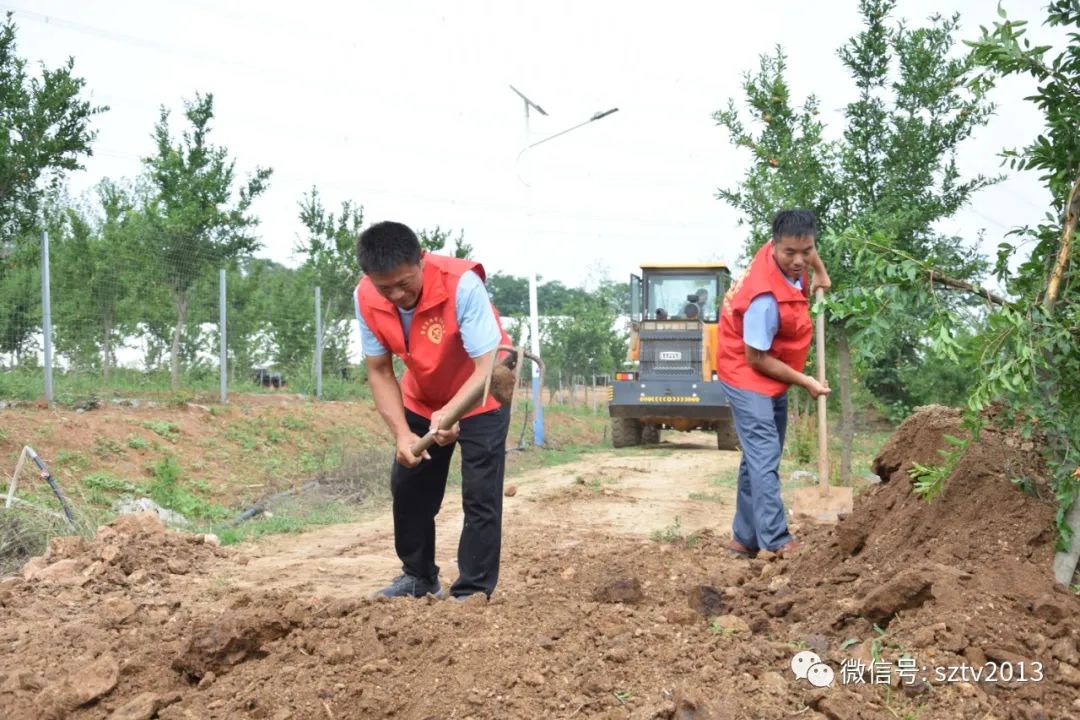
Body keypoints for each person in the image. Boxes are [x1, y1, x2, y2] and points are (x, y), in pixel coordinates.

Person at [354, 221, 511, 600]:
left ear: (420, 261)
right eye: (384, 287)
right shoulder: (366, 297)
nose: (396, 295)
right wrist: (402, 434)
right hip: (421, 397)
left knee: (479, 494)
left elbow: (487, 366)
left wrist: (452, 412)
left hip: (483, 393)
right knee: (408, 487)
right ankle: (418, 576)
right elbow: (379, 370)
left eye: (404, 283)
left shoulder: (462, 285)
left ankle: (472, 590)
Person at [715, 209, 831, 559]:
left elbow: (806, 254)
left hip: (771, 365)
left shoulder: (789, 250)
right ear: (775, 247)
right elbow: (756, 359)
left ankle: (744, 538)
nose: (799, 261)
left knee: (759, 459)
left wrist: (821, 271)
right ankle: (776, 539)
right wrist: (805, 381)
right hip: (746, 369)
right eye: (790, 253)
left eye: (807, 251)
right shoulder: (763, 299)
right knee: (764, 455)